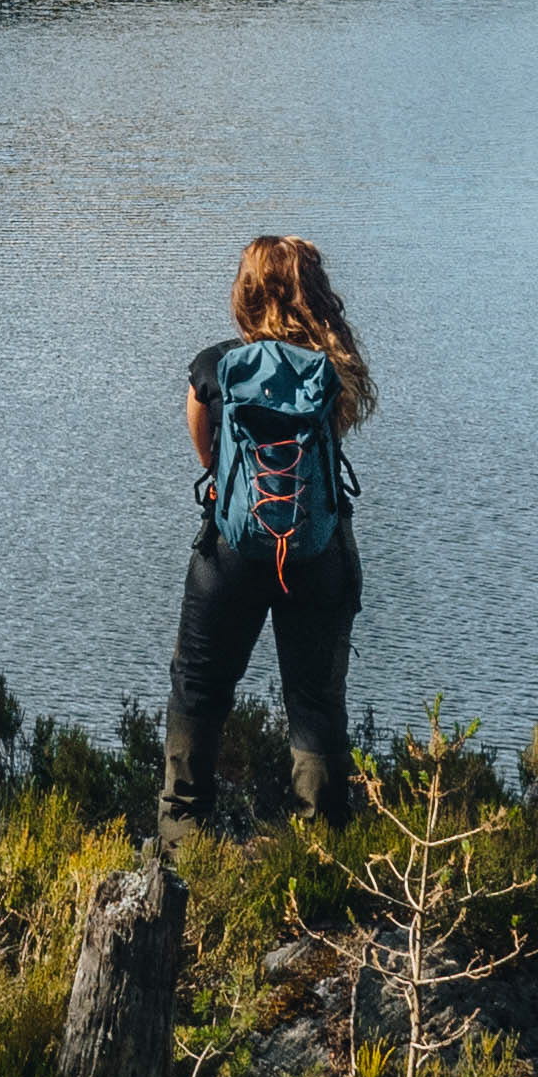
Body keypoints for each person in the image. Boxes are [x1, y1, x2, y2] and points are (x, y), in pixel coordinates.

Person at [161, 234, 374, 830]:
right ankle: (321, 850)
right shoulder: (333, 370)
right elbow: (334, 435)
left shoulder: (213, 366)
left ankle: (182, 846)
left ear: (247, 293)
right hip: (317, 549)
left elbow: (206, 452)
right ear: (315, 292)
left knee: (198, 689)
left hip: (229, 554)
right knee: (315, 702)